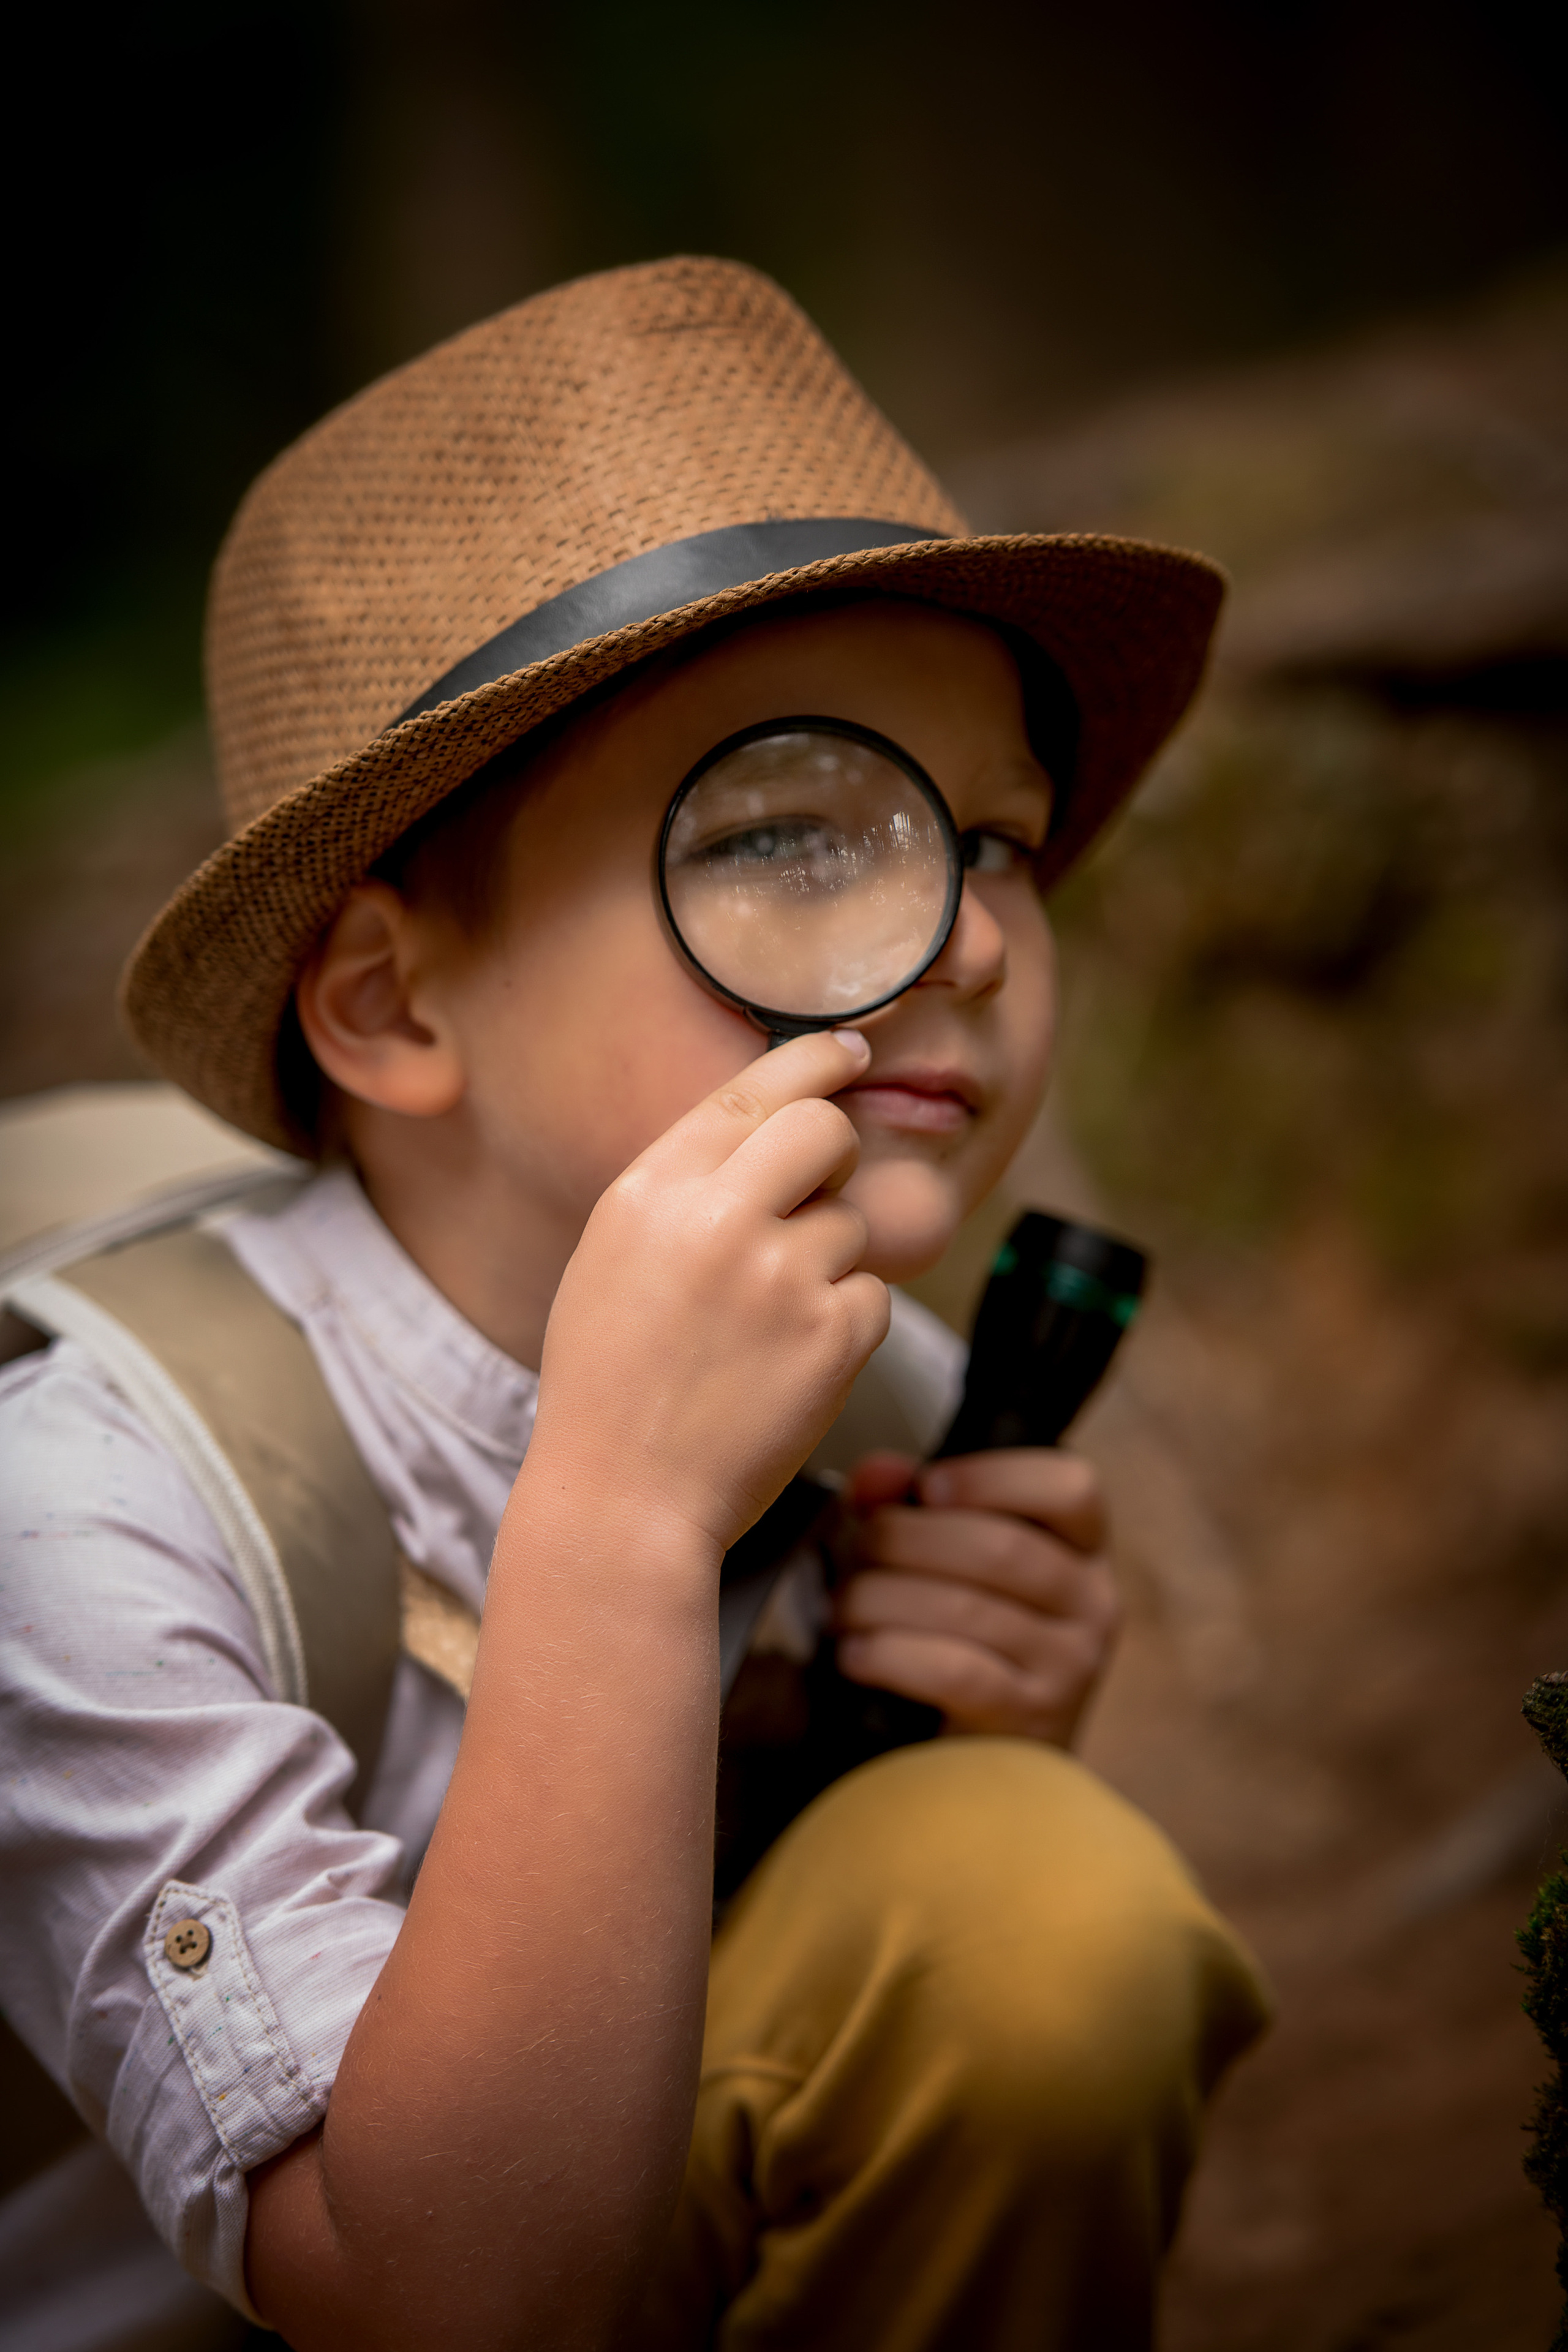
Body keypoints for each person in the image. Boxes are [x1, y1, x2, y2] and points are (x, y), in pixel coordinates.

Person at [0, 256, 1268, 2352]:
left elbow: (879, 2020)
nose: (967, 942)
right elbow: (432, 2297)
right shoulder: (82, 1511)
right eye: (791, 834)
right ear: (396, 1006)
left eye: (998, 843)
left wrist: (929, 1779)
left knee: (1028, 1908)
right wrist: (621, 1523)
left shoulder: (883, 1398)